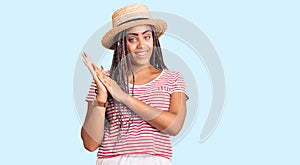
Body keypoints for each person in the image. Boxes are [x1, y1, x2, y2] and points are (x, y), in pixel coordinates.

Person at [81, 4, 189, 165]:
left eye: (147, 37)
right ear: (120, 44)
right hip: (112, 160)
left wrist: (124, 97)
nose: (141, 45)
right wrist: (102, 96)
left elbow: (174, 126)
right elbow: (90, 144)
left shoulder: (173, 78)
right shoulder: (104, 80)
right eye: (132, 39)